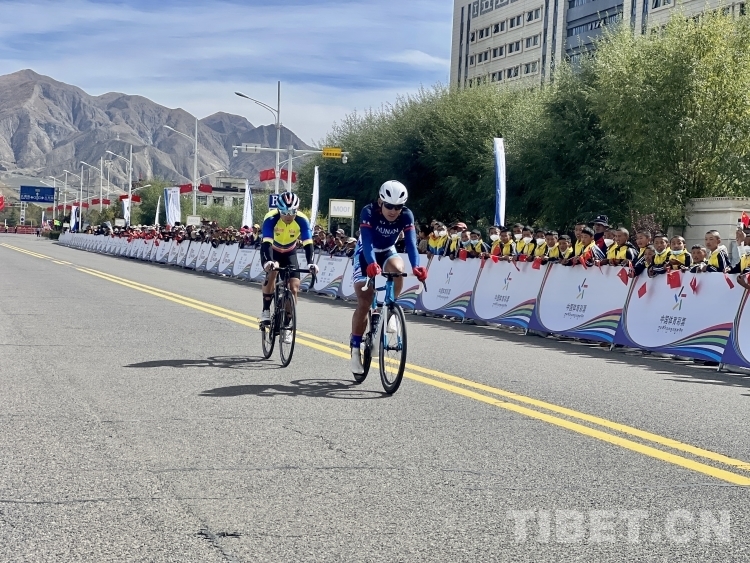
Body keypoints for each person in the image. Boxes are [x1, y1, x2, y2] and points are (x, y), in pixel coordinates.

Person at [349, 181, 427, 375]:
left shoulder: (406, 215)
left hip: (387, 250)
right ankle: (355, 349)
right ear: (380, 202)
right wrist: (371, 263)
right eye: (389, 206)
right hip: (365, 252)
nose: (393, 211)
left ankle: (390, 310)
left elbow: (411, 244)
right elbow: (367, 242)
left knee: (398, 269)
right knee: (365, 300)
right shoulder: (368, 212)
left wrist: (417, 266)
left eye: (398, 207)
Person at [259, 192, 319, 342]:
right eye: (284, 212)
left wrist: (311, 263)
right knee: (273, 272)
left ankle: (286, 326)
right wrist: (268, 261)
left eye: (292, 212)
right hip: (272, 250)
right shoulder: (271, 218)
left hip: (289, 252)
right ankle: (266, 310)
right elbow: (266, 243)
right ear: (279, 210)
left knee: (294, 288)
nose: (288, 216)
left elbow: (308, 243)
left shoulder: (302, 220)